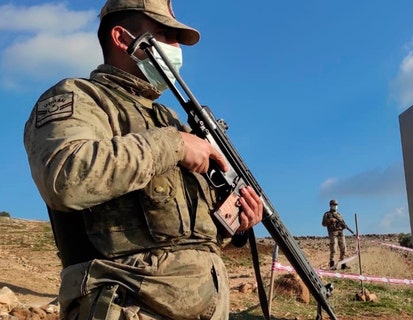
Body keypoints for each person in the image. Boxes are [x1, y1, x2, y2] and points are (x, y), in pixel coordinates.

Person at [23, 0, 264, 319]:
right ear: (123, 39)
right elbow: (64, 178)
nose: (176, 49)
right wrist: (174, 145)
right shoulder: (79, 97)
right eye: (165, 35)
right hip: (127, 307)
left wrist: (237, 224)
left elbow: (190, 236)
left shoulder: (169, 119)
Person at [321, 199, 348, 270]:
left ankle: (343, 264)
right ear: (330, 205)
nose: (335, 206)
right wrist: (330, 220)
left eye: (336, 205)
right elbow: (323, 224)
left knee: (343, 249)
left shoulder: (339, 215)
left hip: (341, 233)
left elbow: (343, 223)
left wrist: (344, 226)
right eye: (334, 205)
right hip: (333, 233)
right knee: (334, 249)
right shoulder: (327, 214)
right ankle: (332, 264)